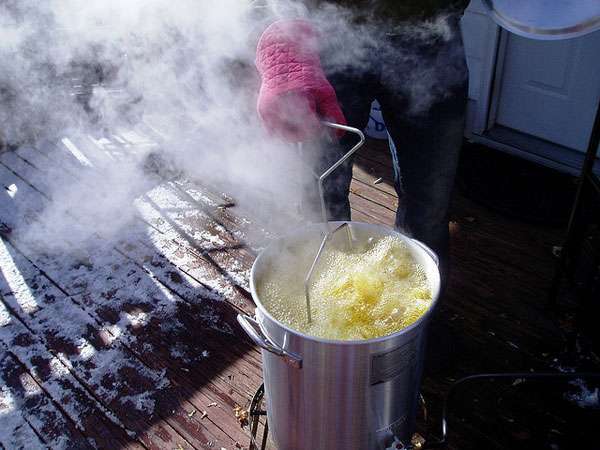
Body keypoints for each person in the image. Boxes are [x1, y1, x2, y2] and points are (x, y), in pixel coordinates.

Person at [254, 1, 470, 285]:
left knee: (428, 207)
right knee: (321, 199)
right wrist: (281, 41)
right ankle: (329, 297)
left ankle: (415, 310)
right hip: (329, 31)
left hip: (432, 32)